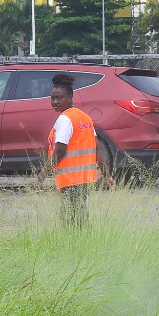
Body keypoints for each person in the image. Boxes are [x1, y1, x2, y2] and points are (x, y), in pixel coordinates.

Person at [48, 73, 114, 225]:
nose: (55, 102)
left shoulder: (65, 119)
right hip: (84, 178)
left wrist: (41, 175)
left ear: (70, 97)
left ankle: (74, 243)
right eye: (53, 98)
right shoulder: (85, 118)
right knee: (80, 214)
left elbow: (59, 151)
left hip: (70, 179)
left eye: (59, 98)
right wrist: (107, 175)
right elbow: (96, 149)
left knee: (70, 217)